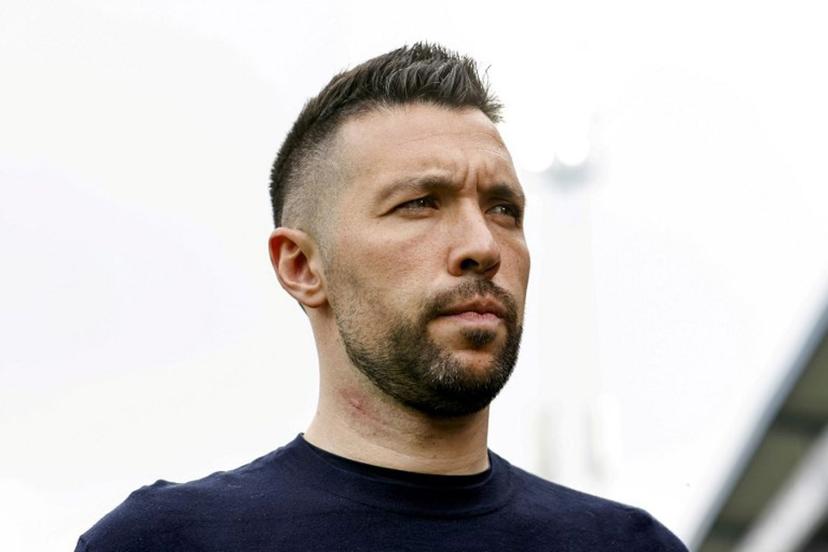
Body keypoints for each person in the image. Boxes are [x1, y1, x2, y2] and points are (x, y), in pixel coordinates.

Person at [75, 43, 687, 551]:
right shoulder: (168, 543)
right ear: (302, 266)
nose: (483, 246)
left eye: (504, 209)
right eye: (420, 203)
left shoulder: (629, 546)